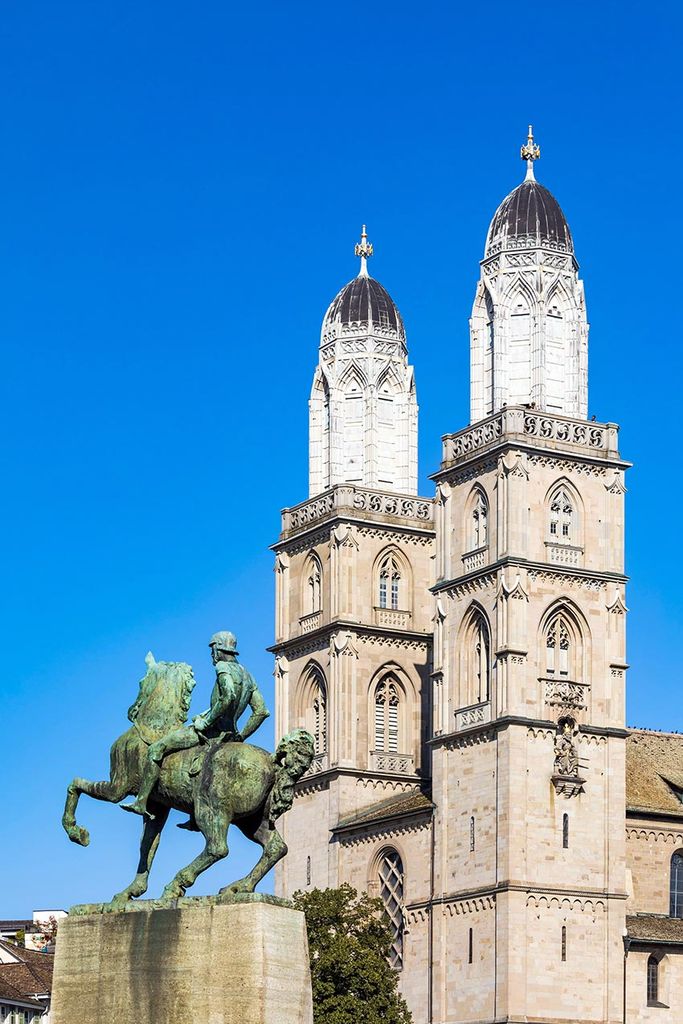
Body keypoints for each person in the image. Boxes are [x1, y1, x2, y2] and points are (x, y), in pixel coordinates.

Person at [121, 630, 269, 820]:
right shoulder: (247, 675)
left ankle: (141, 801)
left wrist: (206, 721)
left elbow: (229, 695)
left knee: (156, 749)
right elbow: (261, 711)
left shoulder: (222, 667)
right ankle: (194, 819)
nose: (211, 656)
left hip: (210, 732)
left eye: (212, 650)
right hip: (229, 735)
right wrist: (240, 736)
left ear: (217, 649)